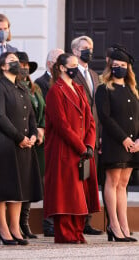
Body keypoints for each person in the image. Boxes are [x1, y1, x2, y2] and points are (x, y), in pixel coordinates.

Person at [44, 53, 100, 244]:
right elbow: (61, 125)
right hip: (65, 150)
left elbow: (90, 120)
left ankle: (77, 232)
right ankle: (66, 234)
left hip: (82, 151)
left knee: (81, 193)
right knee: (66, 194)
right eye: (73, 65)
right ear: (61, 67)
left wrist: (89, 144)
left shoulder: (79, 88)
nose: (76, 68)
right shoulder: (55, 91)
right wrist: (80, 146)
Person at [0, 52, 42, 246]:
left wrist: (33, 135)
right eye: (12, 61)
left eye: (17, 62)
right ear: (2, 66)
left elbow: (31, 116)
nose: (16, 64)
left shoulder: (22, 87)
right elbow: (0, 116)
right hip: (4, 143)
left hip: (24, 144)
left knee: (20, 187)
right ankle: (2, 229)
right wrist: (19, 137)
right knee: (3, 188)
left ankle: (14, 227)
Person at [95, 45, 139, 242]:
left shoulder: (132, 89)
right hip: (116, 143)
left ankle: (124, 226)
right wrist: (125, 139)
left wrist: (138, 140)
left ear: (128, 67)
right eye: (115, 65)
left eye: (122, 65)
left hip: (133, 145)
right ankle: (113, 225)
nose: (119, 68)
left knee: (124, 184)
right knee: (112, 183)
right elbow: (105, 117)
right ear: (110, 66)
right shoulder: (104, 88)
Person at [71, 35, 103, 236]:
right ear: (75, 51)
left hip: (94, 133)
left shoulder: (94, 74)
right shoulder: (72, 74)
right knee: (77, 178)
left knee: (91, 178)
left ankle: (87, 220)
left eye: (90, 47)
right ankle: (76, 219)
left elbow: (96, 106)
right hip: (78, 134)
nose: (88, 51)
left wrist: (99, 134)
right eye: (84, 48)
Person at [34, 48, 64, 237]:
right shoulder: (41, 83)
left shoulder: (67, 82)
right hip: (49, 138)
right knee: (48, 182)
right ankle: (48, 223)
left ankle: (59, 220)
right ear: (50, 64)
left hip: (63, 139)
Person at [17, 51, 45, 239]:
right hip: (20, 140)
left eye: (27, 65)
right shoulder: (14, 87)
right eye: (21, 65)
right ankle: (17, 223)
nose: (25, 68)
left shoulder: (35, 88)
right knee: (20, 182)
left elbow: (42, 112)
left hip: (37, 141)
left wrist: (40, 129)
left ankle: (25, 222)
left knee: (31, 182)